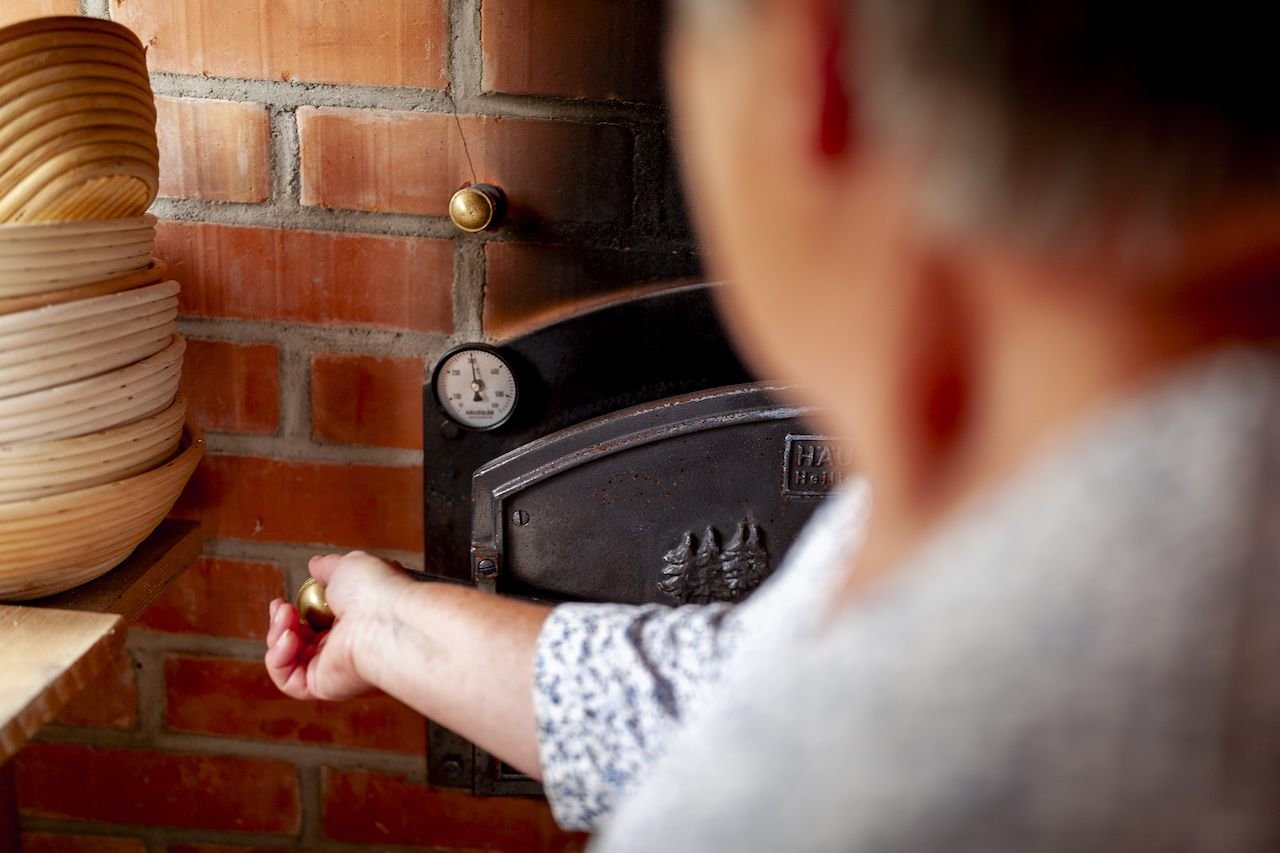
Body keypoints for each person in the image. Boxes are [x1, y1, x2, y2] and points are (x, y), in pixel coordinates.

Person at [267, 0, 1280, 849]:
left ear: (818, 69)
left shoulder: (822, 811)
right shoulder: (1058, 477)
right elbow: (730, 695)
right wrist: (388, 626)